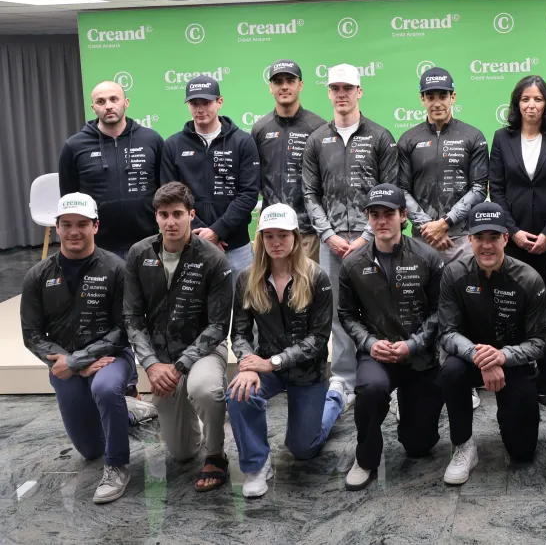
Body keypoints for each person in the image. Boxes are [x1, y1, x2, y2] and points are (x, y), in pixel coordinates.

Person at [20, 193, 133, 504]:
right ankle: (127, 415)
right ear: (56, 227)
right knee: (90, 450)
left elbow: (125, 329)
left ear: (95, 226)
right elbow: (32, 335)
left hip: (111, 358)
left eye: (82, 224)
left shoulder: (117, 269)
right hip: (63, 366)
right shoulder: (37, 275)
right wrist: (71, 363)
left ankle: (117, 466)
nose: (74, 231)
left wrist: (78, 360)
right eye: (66, 224)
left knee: (105, 388)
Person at [226, 204, 343, 498]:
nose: (276, 243)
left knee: (302, 449)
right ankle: (256, 464)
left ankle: (334, 400)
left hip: (307, 371)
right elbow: (239, 333)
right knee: (239, 393)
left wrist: (273, 362)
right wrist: (247, 363)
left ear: (295, 237)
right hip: (266, 365)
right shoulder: (247, 278)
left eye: (283, 235)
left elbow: (319, 339)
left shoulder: (317, 277)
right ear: (260, 239)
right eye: (269, 236)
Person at [337, 184, 448, 490]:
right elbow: (347, 315)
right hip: (377, 354)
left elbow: (441, 311)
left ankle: (408, 410)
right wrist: (370, 344)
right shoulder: (353, 264)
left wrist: (413, 344)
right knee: (371, 389)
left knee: (419, 446)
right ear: (368, 219)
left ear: (403, 216)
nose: (382, 221)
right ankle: (365, 458)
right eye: (375, 215)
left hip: (420, 357)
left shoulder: (428, 258)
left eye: (388, 214)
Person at [124, 181, 232, 492]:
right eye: (164, 215)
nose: (170, 222)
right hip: (160, 357)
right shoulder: (138, 254)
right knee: (182, 453)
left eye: (178, 214)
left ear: (191, 215)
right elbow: (132, 317)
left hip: (204, 350)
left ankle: (216, 454)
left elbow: (217, 326)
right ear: (156, 217)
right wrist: (150, 364)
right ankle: (192, 417)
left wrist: (181, 365)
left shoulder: (213, 258)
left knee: (205, 389)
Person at [303, 63, 399, 411]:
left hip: (374, 241)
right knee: (338, 311)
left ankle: (392, 376)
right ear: (329, 93)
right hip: (332, 245)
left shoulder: (380, 137)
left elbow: (391, 192)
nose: (341, 94)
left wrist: (366, 235)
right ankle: (343, 378)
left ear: (359, 92)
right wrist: (328, 235)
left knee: (384, 306)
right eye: (335, 88)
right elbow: (310, 194)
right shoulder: (317, 139)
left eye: (347, 88)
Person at [437, 202, 546, 484]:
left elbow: (538, 342)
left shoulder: (529, 279)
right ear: (469, 240)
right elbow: (447, 332)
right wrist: (481, 357)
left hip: (514, 363)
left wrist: (502, 356)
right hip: (468, 360)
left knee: (523, 453)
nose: (487, 246)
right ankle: (463, 445)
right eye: (479, 238)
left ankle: (509, 419)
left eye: (494, 237)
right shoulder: (453, 274)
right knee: (450, 370)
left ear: (506, 239)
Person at [489, 75, 546, 404]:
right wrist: (512, 231)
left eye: (538, 99)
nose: (531, 105)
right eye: (525, 99)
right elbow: (497, 189)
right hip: (513, 241)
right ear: (517, 103)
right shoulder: (502, 138)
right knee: (514, 306)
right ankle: (519, 374)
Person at [161, 74, 261, 278]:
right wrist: (200, 233)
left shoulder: (243, 142)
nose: (200, 109)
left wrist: (217, 231)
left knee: (241, 299)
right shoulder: (173, 145)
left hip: (236, 248)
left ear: (219, 102)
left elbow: (249, 193)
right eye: (194, 103)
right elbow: (170, 196)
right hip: (190, 244)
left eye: (206, 102)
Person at [58, 81, 163, 260]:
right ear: (93, 108)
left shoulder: (152, 139)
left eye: (114, 99)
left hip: (148, 240)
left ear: (126, 103)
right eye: (101, 101)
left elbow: (165, 188)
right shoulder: (74, 146)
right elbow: (69, 198)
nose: (108, 106)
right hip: (97, 245)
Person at [397, 67, 489, 264]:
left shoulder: (473, 136)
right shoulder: (408, 139)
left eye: (442, 96)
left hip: (463, 239)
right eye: (430, 97)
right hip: (423, 238)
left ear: (452, 97)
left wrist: (445, 223)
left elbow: (479, 188)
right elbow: (402, 190)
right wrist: (429, 228)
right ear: (422, 100)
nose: (437, 103)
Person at [251, 59, 327, 262]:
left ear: (300, 85)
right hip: (271, 230)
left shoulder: (319, 127)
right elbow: (255, 179)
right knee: (267, 281)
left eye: (290, 81)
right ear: (270, 87)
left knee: (308, 281)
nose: (284, 86)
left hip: (307, 230)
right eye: (278, 82)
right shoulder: (260, 128)